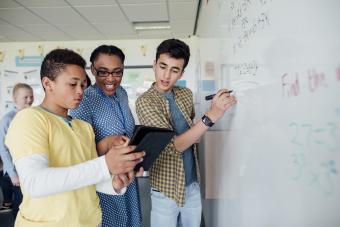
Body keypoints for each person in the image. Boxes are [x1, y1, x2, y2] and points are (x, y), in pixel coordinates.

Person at [5, 49, 145, 227]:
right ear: (48, 83)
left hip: (89, 222)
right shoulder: (30, 119)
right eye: (72, 84)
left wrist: (114, 183)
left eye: (83, 84)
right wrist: (105, 165)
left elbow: (87, 179)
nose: (80, 91)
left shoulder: (83, 127)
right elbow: (35, 183)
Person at [135, 39, 237, 227]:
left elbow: (193, 134)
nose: (166, 75)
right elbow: (175, 146)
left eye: (175, 70)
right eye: (162, 66)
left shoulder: (185, 94)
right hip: (166, 187)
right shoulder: (145, 101)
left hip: (192, 183)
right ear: (154, 65)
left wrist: (213, 110)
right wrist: (211, 115)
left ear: (181, 73)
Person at [70, 45, 142, 227]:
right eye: (103, 72)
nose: (111, 79)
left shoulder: (122, 93)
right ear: (93, 70)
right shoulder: (84, 100)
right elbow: (79, 154)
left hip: (128, 178)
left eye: (117, 72)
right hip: (104, 182)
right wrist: (107, 143)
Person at [0, 83, 33, 218]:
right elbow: (3, 149)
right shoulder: (7, 119)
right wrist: (13, 174)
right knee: (20, 203)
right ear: (15, 99)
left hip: (28, 167)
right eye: (25, 97)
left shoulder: (32, 115)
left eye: (31, 96)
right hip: (15, 171)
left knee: (29, 202)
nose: (30, 100)